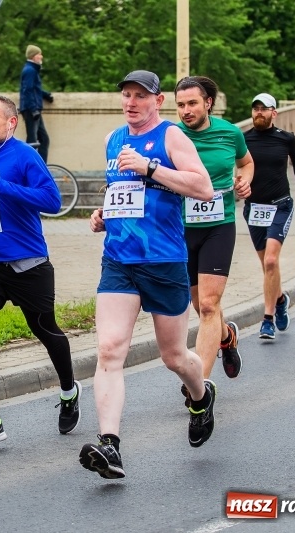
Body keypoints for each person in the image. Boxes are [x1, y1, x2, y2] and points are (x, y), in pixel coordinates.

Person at [80, 70, 215, 480]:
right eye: (126, 95)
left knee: (174, 356)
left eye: (141, 96)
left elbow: (204, 187)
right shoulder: (112, 140)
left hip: (163, 260)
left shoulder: (172, 137)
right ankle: (110, 446)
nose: (131, 102)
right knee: (109, 349)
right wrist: (106, 213)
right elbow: (120, 190)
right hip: (119, 261)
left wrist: (150, 167)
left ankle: (200, 394)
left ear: (158, 101)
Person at [0, 94, 81, 447]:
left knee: (44, 329)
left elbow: (52, 201)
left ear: (11, 123)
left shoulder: (26, 155)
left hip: (27, 264)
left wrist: (5, 186)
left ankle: (70, 391)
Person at [174, 76, 254, 393]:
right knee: (198, 303)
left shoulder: (230, 133)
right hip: (180, 228)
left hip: (219, 226)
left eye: (192, 103)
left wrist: (244, 180)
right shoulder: (170, 136)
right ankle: (226, 336)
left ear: (208, 102)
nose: (185, 110)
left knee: (208, 304)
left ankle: (200, 384)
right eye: (180, 105)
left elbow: (246, 163)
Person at [243, 93, 295, 340]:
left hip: (280, 205)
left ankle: (268, 319)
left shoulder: (286, 138)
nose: (258, 112)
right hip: (254, 208)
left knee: (271, 261)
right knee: (266, 266)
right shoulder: (243, 139)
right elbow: (233, 165)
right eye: (255, 108)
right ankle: (280, 299)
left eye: (264, 108)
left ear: (274, 112)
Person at [19, 44, 53, 162]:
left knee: (42, 139)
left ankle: (40, 167)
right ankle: (29, 167)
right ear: (33, 56)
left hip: (33, 108)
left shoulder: (31, 69)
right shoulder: (30, 70)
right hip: (31, 109)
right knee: (33, 141)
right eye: (39, 54)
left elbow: (33, 89)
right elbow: (27, 90)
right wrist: (33, 109)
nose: (41, 56)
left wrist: (45, 95)